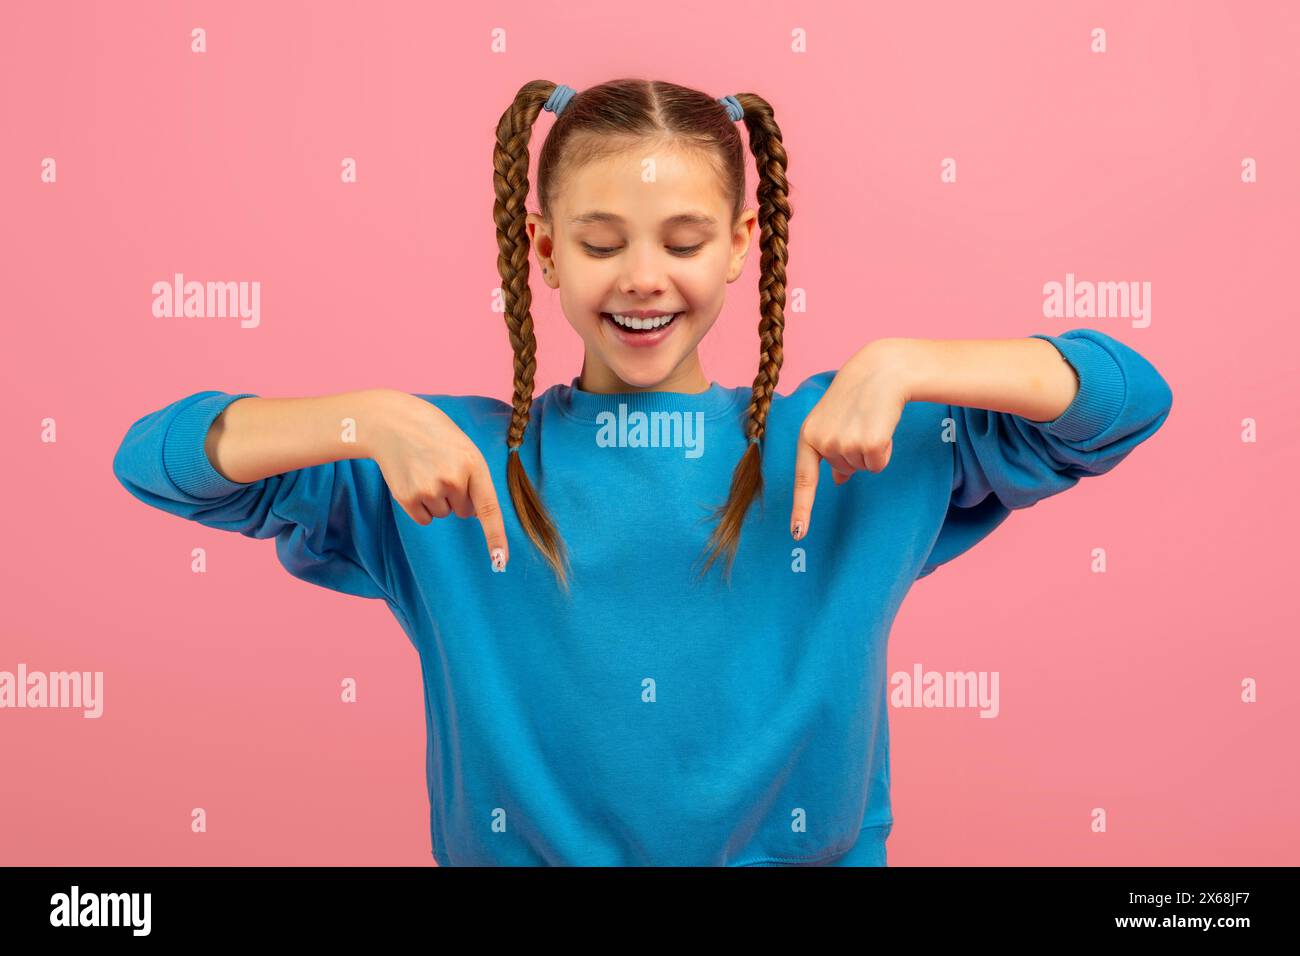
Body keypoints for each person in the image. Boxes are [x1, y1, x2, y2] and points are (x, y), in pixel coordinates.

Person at [112, 78, 1174, 866]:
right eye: (601, 241)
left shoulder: (850, 439)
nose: (642, 279)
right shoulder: (442, 464)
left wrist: (913, 362)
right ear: (543, 248)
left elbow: (1124, 398)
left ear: (739, 242)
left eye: (681, 239)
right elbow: (155, 460)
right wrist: (358, 418)